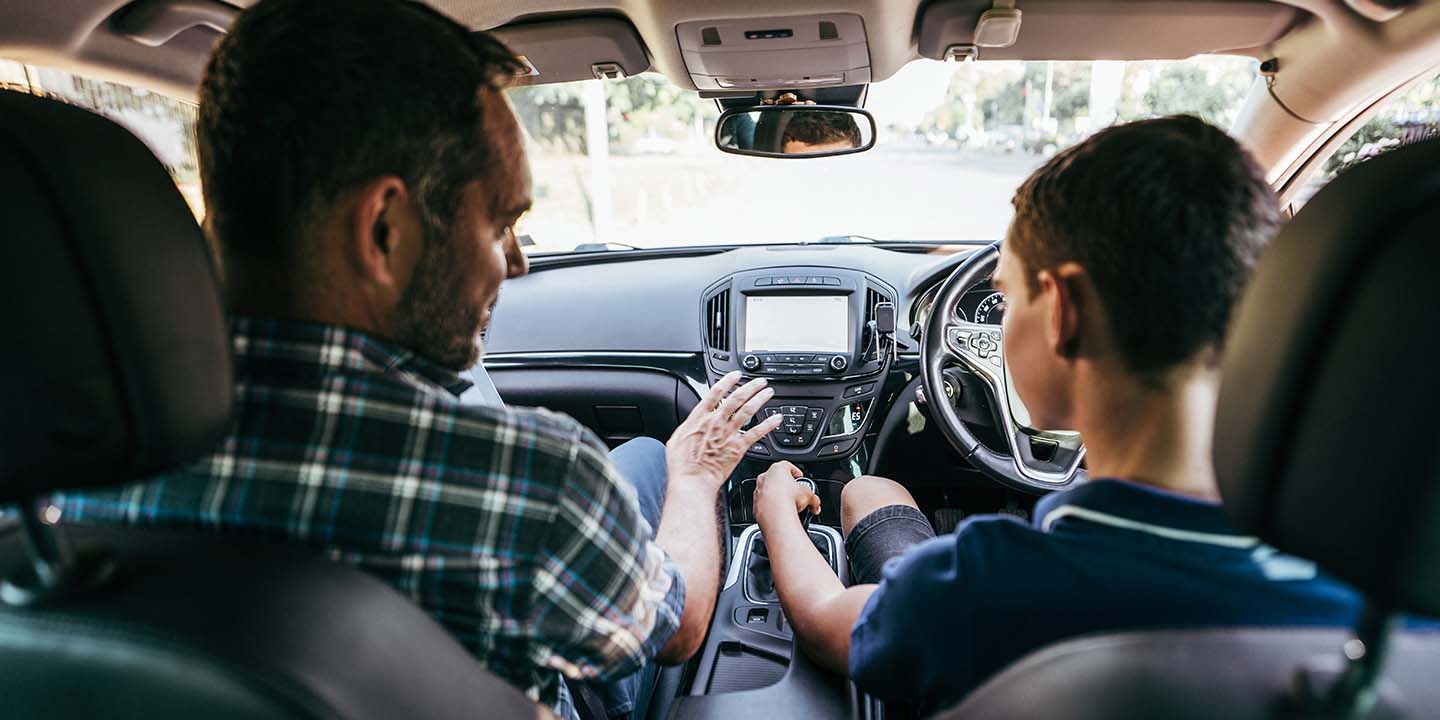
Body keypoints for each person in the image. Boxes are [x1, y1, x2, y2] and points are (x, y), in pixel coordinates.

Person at [51, 1, 783, 718]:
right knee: (659, 464)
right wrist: (698, 476)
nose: (518, 263)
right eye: (501, 223)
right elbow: (678, 630)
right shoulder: (532, 485)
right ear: (385, 230)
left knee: (638, 466)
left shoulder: (57, 475)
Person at [752, 116, 1377, 713]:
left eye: (1004, 297)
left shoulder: (986, 588)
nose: (1003, 321)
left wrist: (775, 508)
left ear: (1062, 310)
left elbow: (822, 619)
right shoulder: (1374, 577)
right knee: (873, 492)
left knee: (867, 493)